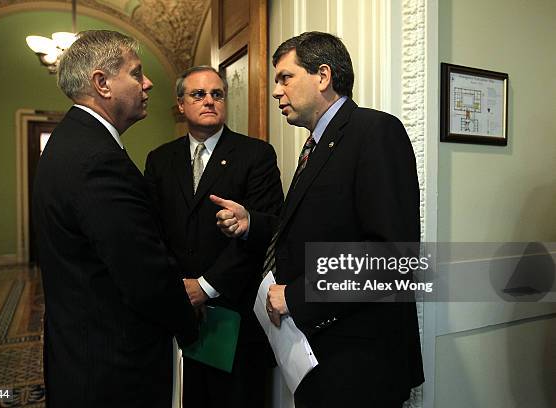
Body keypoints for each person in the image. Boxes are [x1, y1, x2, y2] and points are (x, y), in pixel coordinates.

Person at [211, 31, 424, 407]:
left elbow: (392, 255)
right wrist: (253, 223)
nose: (276, 91)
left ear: (323, 76)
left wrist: (296, 295)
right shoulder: (316, 143)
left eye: (285, 78)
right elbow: (314, 228)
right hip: (319, 355)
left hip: (359, 363)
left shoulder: (375, 131)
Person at [32, 30, 198, 407]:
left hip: (83, 351)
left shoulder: (73, 139)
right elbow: (142, 272)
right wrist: (188, 325)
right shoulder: (96, 159)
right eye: (137, 73)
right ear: (102, 83)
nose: (149, 83)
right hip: (111, 368)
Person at [144, 66, 283, 408]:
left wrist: (205, 286)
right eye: (198, 94)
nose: (209, 101)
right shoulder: (160, 159)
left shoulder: (256, 155)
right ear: (180, 104)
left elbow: (268, 226)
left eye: (217, 94)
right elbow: (151, 231)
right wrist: (179, 286)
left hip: (236, 313)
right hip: (180, 309)